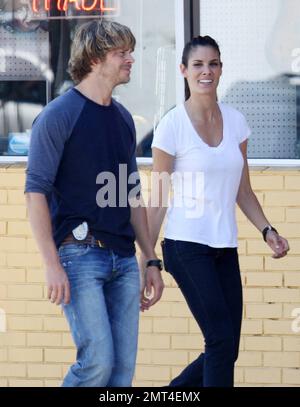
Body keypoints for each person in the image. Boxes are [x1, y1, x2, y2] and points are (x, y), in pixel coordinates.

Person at [142, 35, 290, 387]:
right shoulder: (172, 125)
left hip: (224, 246)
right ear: (183, 71)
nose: (206, 71)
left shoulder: (237, 122)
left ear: (221, 68)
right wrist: (147, 260)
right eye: (198, 65)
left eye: (213, 63)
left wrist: (268, 230)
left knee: (226, 345)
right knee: (220, 339)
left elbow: (243, 190)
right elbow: (158, 196)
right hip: (185, 245)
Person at [25, 19, 164, 387]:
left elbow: (131, 193)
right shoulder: (58, 116)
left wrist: (149, 257)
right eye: (122, 53)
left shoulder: (122, 120)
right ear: (95, 59)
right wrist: (51, 264)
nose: (131, 59)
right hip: (79, 256)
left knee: (121, 374)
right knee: (96, 364)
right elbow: (34, 193)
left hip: (123, 259)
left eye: (130, 51)